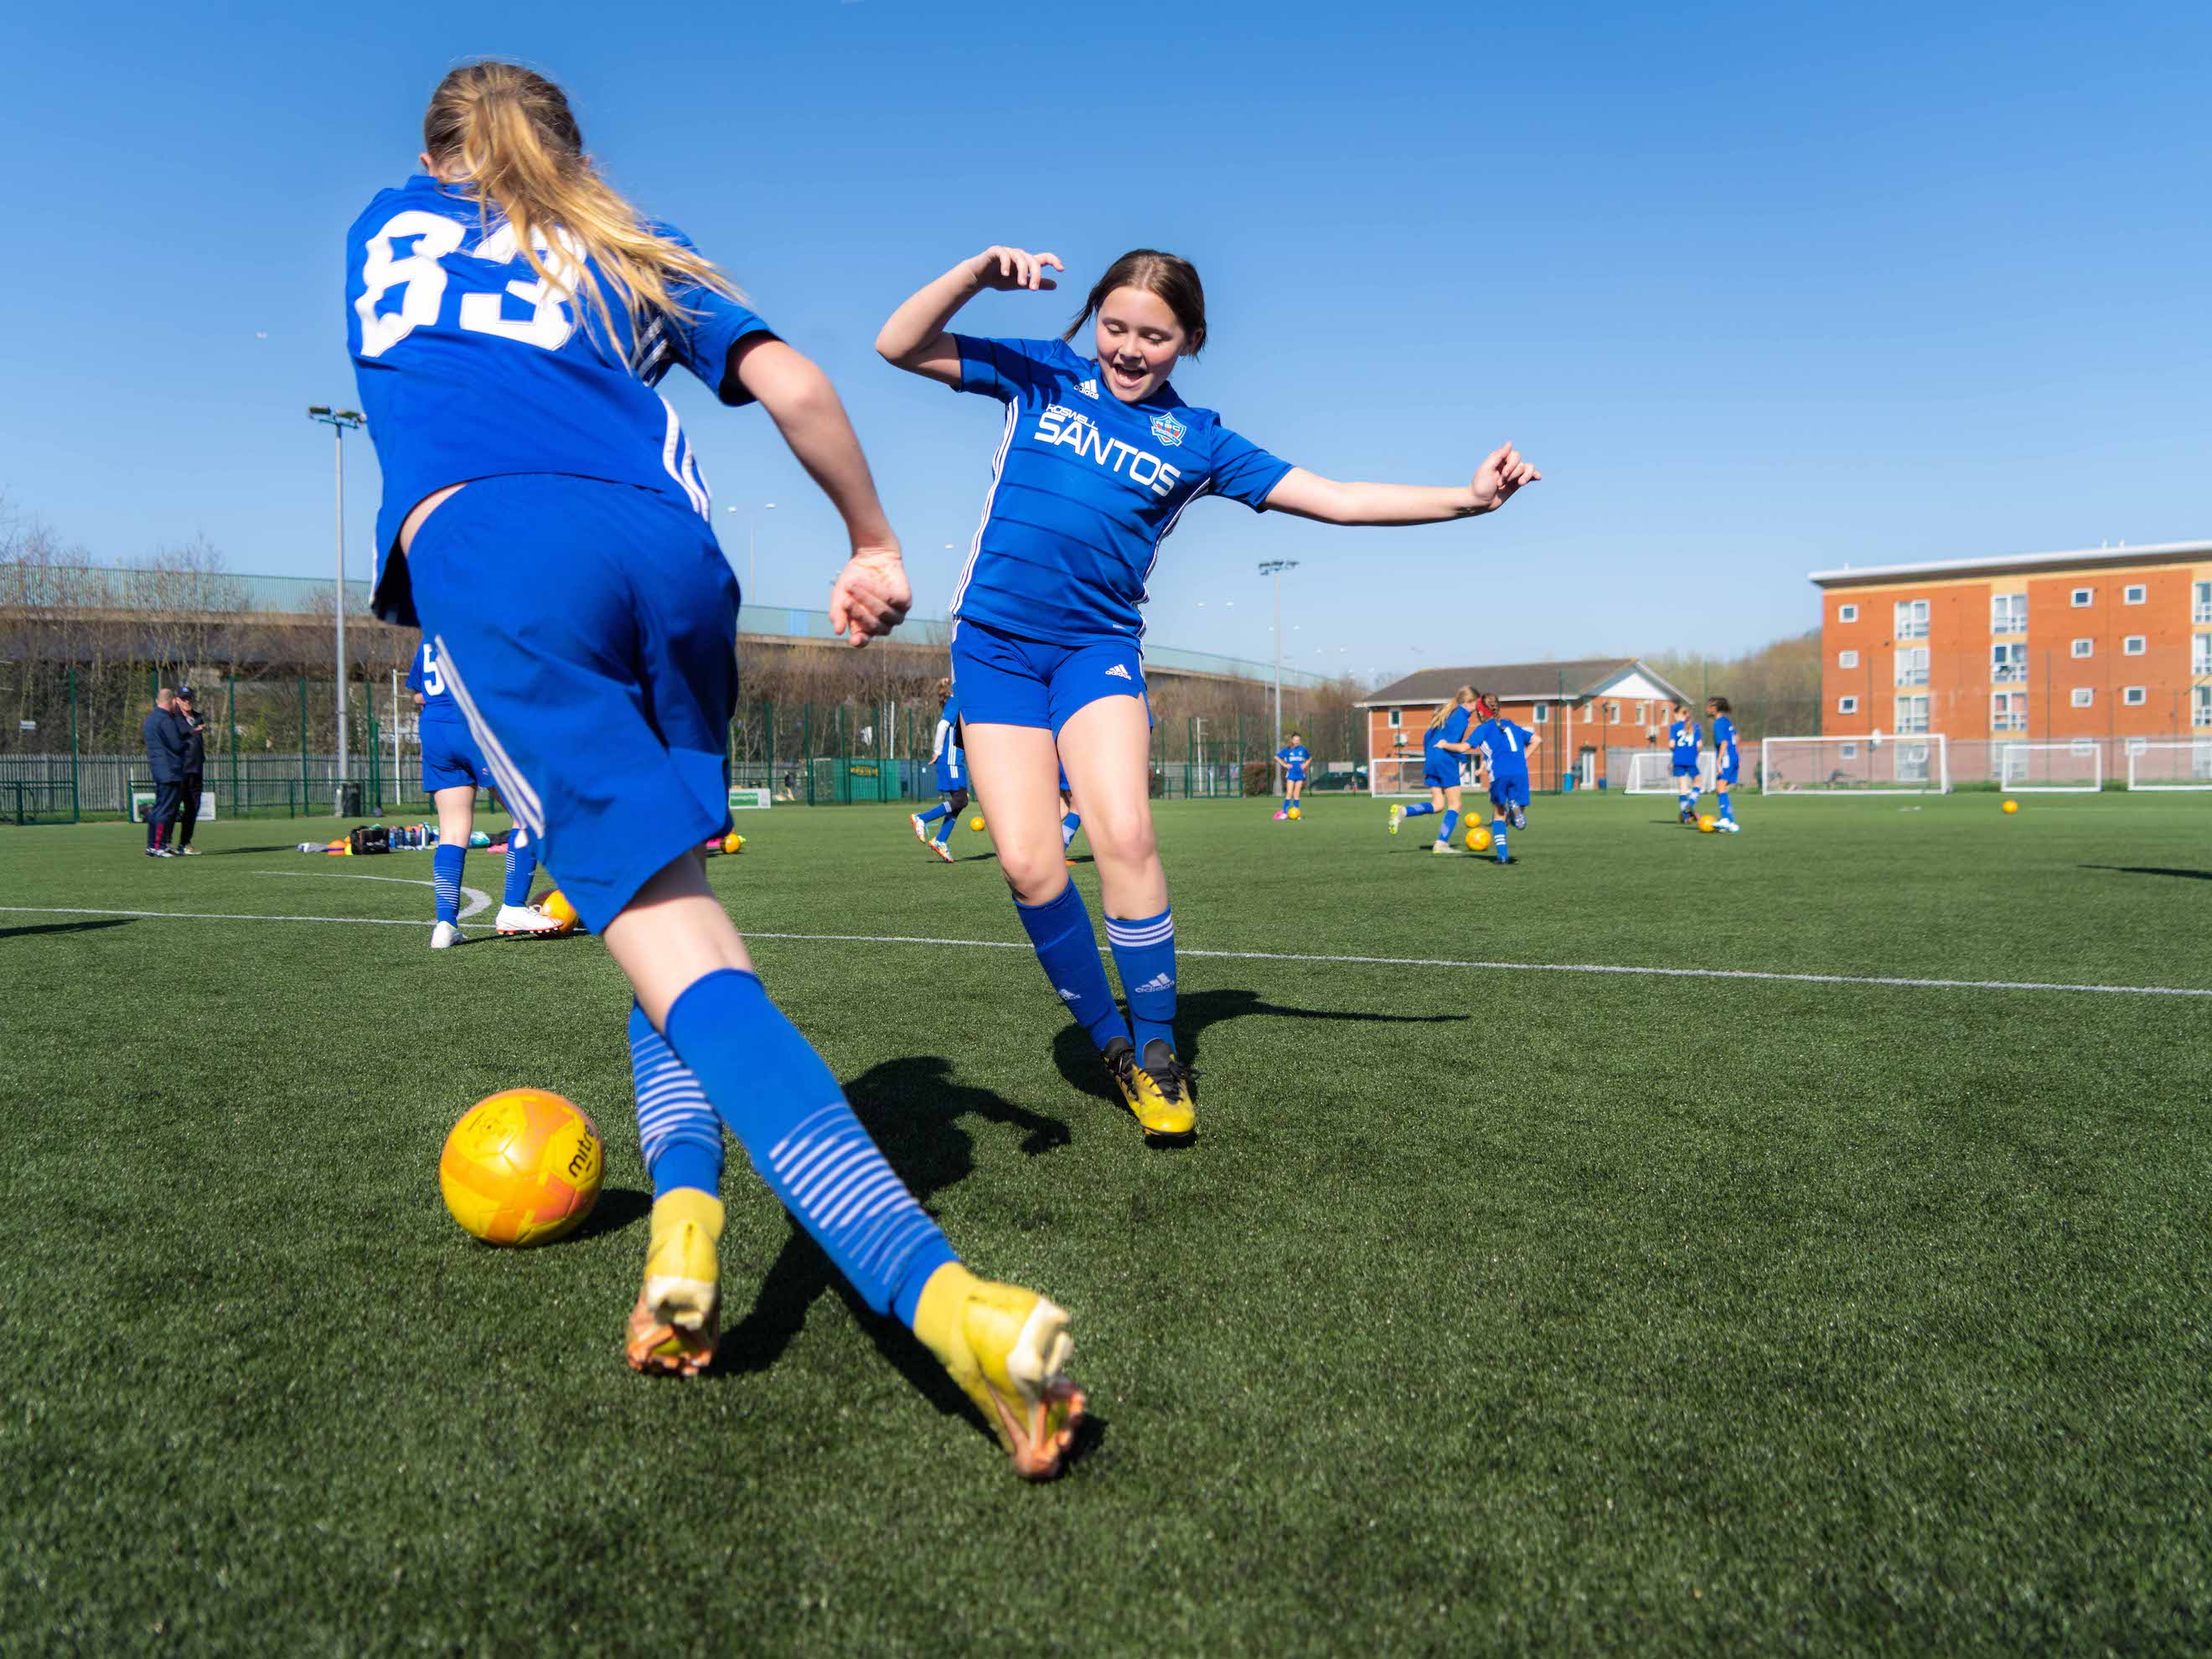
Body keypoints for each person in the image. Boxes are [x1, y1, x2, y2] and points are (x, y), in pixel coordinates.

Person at [347, 63, 1080, 1476]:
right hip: (675, 561)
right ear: (573, 145)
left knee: (670, 936)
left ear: (436, 148)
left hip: (503, 556)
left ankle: (946, 1302)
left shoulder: (382, 223)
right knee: (667, 907)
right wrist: (871, 539)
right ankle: (687, 1217)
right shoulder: (631, 242)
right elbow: (793, 379)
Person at [878, 245, 1536, 1140]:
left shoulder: (1200, 440)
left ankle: (1156, 1050)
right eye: (1114, 327)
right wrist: (972, 278)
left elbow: (1336, 498)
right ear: (1091, 323)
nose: (1129, 349)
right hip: (994, 650)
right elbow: (897, 344)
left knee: (1126, 831)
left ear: (1190, 340)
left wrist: (1466, 499)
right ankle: (1108, 1040)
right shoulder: (1040, 374)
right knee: (1030, 864)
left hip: (1094, 652)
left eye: (1154, 335)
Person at [408, 638, 563, 944]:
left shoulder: (432, 630)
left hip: (435, 728)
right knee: (531, 814)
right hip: (474, 725)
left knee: (452, 832)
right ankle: (513, 907)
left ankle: (445, 924)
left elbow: (418, 694)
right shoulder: (478, 620)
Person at [1388, 687, 1481, 854]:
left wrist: (1431, 757)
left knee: (1438, 805)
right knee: (1455, 805)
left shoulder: (1445, 713)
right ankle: (1441, 844)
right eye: (1477, 704)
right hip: (1445, 759)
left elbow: (1427, 737)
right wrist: (1462, 760)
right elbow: (1453, 741)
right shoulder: (1461, 717)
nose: (1478, 708)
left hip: (1432, 759)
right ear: (1469, 703)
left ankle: (1402, 811)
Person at [1467, 694, 1539, 865]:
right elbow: (1537, 739)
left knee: (1498, 814)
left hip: (1499, 775)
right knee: (1517, 818)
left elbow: (1475, 748)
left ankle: (1502, 856)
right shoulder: (1509, 725)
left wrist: (1447, 747)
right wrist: (1522, 758)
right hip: (1519, 772)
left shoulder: (1485, 729)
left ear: (1481, 712)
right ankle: (1517, 814)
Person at [909, 674, 968, 862]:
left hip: (956, 760)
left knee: (960, 802)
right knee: (960, 800)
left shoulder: (964, 700)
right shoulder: (957, 699)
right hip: (950, 760)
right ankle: (922, 818)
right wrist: (937, 751)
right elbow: (942, 726)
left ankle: (941, 840)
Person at [141, 687, 187, 857]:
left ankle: (152, 845)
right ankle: (160, 846)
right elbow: (176, 745)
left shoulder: (150, 719)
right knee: (165, 810)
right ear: (173, 701)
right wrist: (188, 739)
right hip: (170, 770)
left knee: (158, 808)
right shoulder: (166, 720)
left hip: (158, 769)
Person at [172, 685, 209, 853]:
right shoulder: (173, 718)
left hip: (196, 769)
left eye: (189, 698)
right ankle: (166, 842)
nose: (187, 701)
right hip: (180, 770)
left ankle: (185, 843)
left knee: (193, 807)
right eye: (184, 698)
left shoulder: (198, 717)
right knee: (172, 807)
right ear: (177, 700)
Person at [1707, 695, 1742, 832]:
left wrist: (1719, 761)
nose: (1707, 708)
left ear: (1714, 708)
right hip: (1734, 757)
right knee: (1722, 789)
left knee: (1720, 786)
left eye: (1709, 706)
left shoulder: (1718, 723)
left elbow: (1724, 742)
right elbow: (1736, 738)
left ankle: (1726, 819)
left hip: (1726, 757)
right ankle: (1731, 823)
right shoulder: (1727, 721)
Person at [1667, 701, 1702, 825]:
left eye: (1674, 715)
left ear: (1678, 714)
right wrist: (1696, 753)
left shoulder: (1674, 727)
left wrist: (1674, 750)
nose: (1674, 717)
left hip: (1678, 759)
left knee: (1683, 788)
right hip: (1690, 759)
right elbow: (1699, 745)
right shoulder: (1695, 726)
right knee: (1697, 782)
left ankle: (1686, 816)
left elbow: (1671, 744)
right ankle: (1690, 805)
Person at [1274, 730, 1311, 820]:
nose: (1297, 741)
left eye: (1298, 740)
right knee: (1289, 793)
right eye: (1295, 740)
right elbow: (1277, 757)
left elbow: (1309, 758)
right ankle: (1285, 814)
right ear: (1292, 740)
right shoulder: (1287, 750)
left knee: (1297, 794)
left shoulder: (1303, 749)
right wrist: (1285, 765)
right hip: (1291, 774)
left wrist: (1306, 764)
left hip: (1300, 775)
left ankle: (1296, 813)